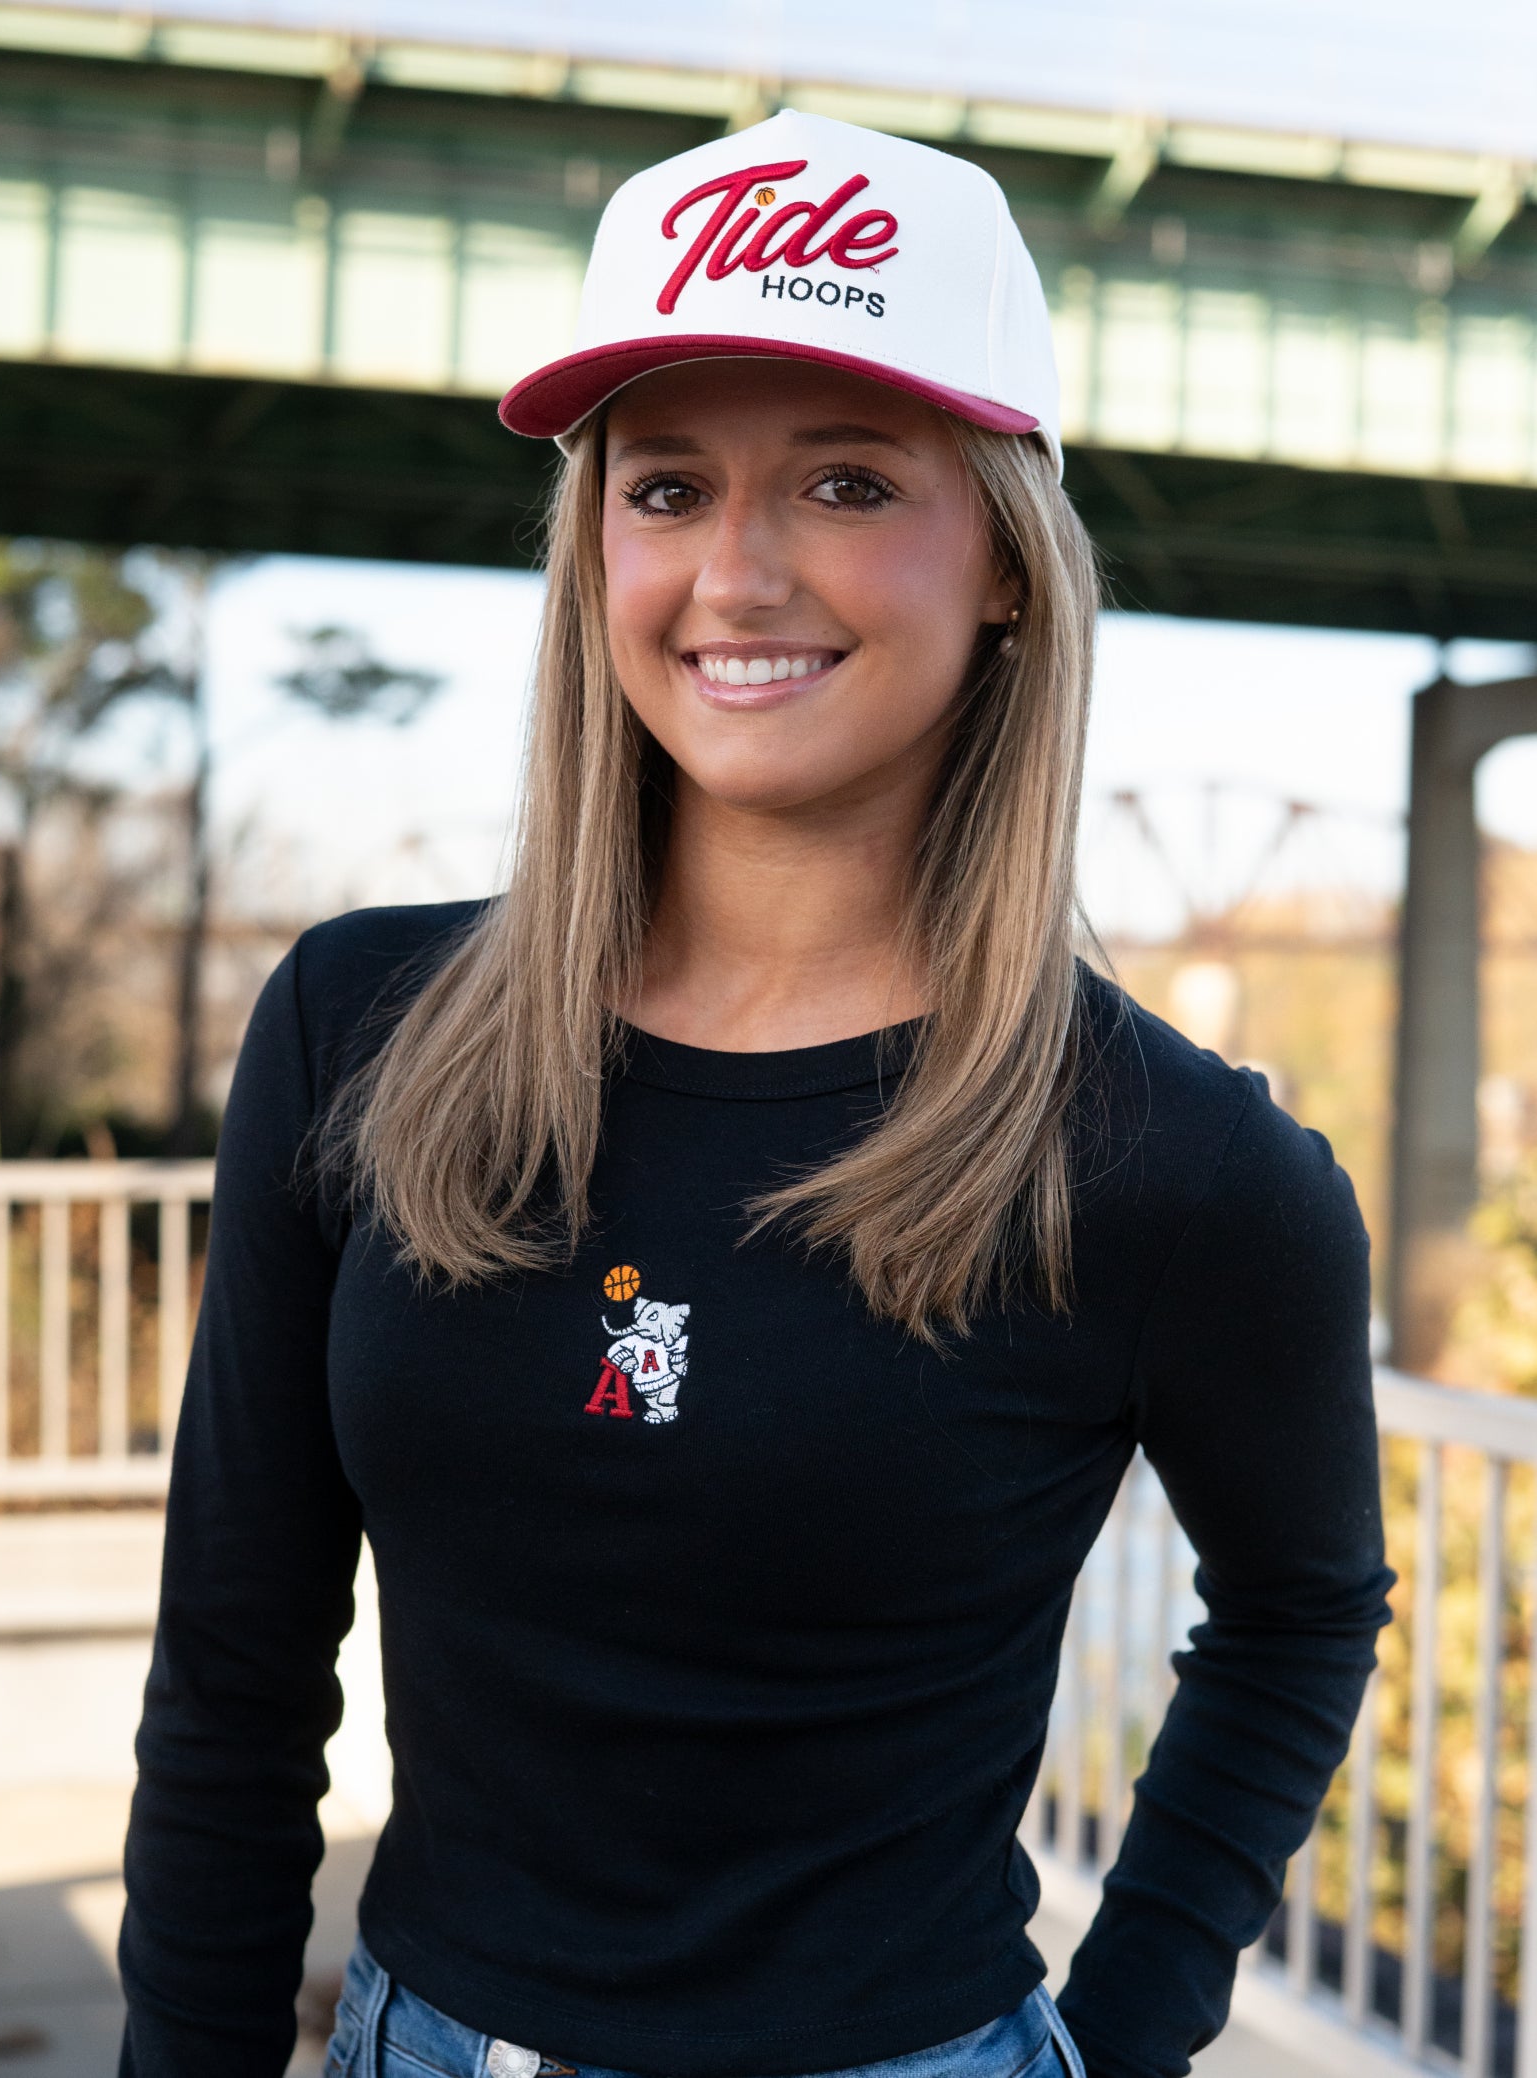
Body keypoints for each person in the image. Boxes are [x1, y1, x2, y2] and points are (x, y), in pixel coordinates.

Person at [117, 110, 1394, 2078]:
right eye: (666, 486)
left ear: (1004, 570)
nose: (736, 570)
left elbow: (1300, 1612)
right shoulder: (355, 1028)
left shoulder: (1178, 1167)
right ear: (592, 546)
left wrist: (1123, 2041)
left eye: (847, 478)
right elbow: (231, 1668)